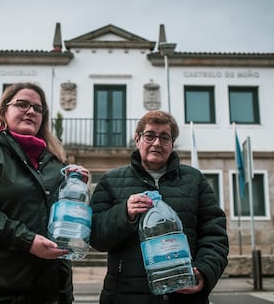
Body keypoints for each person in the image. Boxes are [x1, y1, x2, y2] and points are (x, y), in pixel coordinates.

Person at [0, 82, 89, 304]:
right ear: (3, 111)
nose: (31, 111)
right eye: (22, 104)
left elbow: (60, 222)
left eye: (38, 108)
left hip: (52, 291)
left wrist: (75, 188)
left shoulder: (56, 163)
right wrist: (28, 241)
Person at [90, 110, 229, 304]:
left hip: (184, 296)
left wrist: (204, 271)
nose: (157, 143)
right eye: (150, 136)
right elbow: (95, 236)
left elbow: (215, 235)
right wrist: (124, 213)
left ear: (172, 144)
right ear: (137, 139)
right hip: (126, 296)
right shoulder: (110, 181)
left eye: (164, 137)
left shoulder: (195, 180)